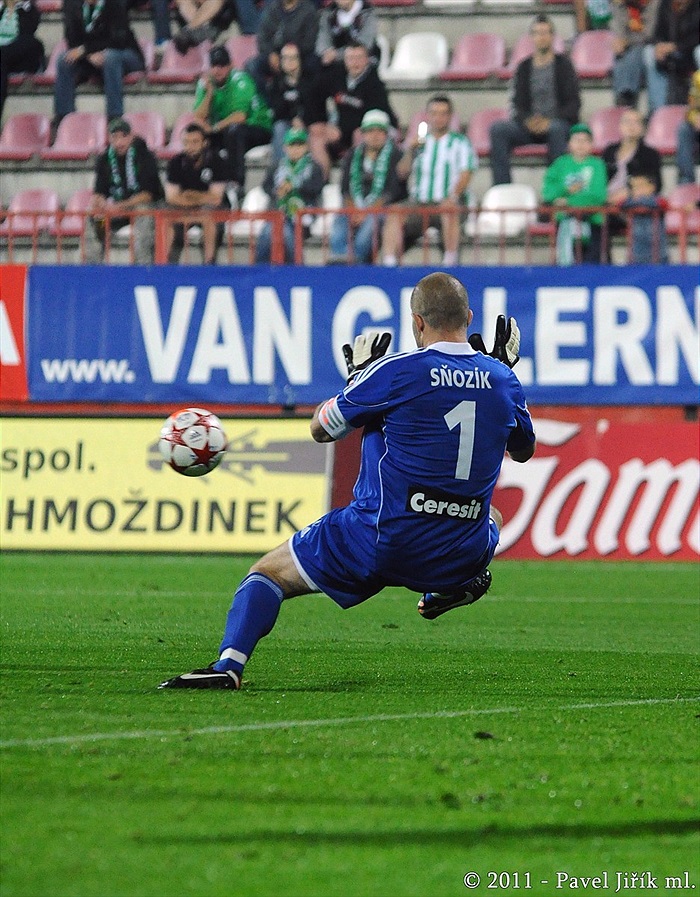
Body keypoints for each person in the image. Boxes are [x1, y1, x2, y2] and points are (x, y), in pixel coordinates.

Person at [158, 271, 536, 690]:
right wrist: (500, 371)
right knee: (494, 516)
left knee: (268, 574)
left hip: (379, 538)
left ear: (417, 322)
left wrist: (358, 376)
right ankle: (458, 584)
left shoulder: (397, 370)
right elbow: (521, 450)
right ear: (468, 316)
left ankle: (228, 665)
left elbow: (322, 429)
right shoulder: (504, 379)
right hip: (459, 549)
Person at [381, 94, 477, 268]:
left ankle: (450, 260)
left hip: (447, 201)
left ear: (450, 116)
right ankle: (389, 262)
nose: (438, 118)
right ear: (428, 116)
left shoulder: (460, 142)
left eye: (443, 113)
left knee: (449, 209)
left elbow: (466, 174)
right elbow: (402, 173)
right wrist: (410, 151)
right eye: (434, 113)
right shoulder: (419, 143)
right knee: (395, 211)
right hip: (421, 203)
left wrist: (453, 196)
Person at [489, 14, 580, 185]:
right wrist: (528, 121)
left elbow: (574, 104)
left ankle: (555, 190)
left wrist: (550, 120)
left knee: (557, 129)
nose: (542, 37)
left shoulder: (565, 66)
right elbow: (517, 104)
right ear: (532, 37)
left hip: (558, 124)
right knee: (498, 130)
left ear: (553, 36)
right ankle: (503, 188)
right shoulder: (523, 67)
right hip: (529, 127)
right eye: (537, 33)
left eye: (545, 33)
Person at [193, 44, 273, 208]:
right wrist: (209, 94)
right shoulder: (206, 83)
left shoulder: (240, 80)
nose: (218, 70)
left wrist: (214, 128)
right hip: (227, 129)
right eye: (214, 66)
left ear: (230, 65)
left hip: (258, 126)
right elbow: (198, 118)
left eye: (222, 65)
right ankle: (204, 180)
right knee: (199, 136)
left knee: (234, 131)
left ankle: (236, 183)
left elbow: (240, 116)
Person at [329, 108, 406, 264]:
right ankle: (338, 262)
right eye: (370, 131)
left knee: (369, 227)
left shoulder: (395, 155)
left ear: (386, 134)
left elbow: (393, 190)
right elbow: (345, 188)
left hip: (381, 208)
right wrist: (353, 209)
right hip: (355, 207)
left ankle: (356, 264)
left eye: (379, 131)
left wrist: (367, 211)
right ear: (363, 134)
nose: (375, 136)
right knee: (339, 224)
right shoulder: (352, 155)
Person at [310, 41, 398, 178]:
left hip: (376, 128)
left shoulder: (375, 84)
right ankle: (321, 183)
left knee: (361, 134)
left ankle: (359, 183)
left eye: (359, 58)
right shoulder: (337, 76)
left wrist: (339, 128)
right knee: (317, 136)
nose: (355, 63)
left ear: (367, 60)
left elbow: (374, 118)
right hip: (345, 130)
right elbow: (314, 96)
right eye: (351, 58)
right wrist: (324, 123)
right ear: (344, 60)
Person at [52, 0, 145, 129]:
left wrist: (85, 50)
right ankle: (64, 118)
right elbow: (71, 38)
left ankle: (114, 117)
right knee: (64, 60)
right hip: (91, 56)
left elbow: (118, 39)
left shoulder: (114, 4)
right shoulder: (73, 5)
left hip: (125, 54)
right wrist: (88, 54)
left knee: (110, 58)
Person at [86, 117, 164, 263]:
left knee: (143, 211)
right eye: (115, 138)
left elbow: (148, 195)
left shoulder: (145, 156)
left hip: (146, 208)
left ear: (131, 137)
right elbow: (100, 191)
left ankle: (143, 267)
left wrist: (120, 206)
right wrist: (100, 202)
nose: (119, 142)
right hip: (119, 210)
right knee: (95, 214)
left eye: (124, 137)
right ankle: (93, 266)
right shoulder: (104, 159)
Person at [541, 122, 608, 265]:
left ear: (591, 145)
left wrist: (567, 201)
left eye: (585, 141)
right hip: (564, 220)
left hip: (592, 221)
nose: (581, 144)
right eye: (577, 140)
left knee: (591, 266)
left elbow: (598, 196)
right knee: (565, 264)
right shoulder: (560, 164)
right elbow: (548, 193)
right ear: (569, 144)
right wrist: (567, 190)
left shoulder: (597, 165)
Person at [255, 126, 325, 263]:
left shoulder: (314, 167)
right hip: (278, 213)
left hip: (303, 216)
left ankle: (297, 269)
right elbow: (266, 186)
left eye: (300, 145)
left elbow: (316, 187)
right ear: (285, 148)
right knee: (266, 233)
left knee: (286, 233)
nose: (296, 149)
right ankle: (259, 270)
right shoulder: (277, 166)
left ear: (306, 147)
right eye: (292, 145)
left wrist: (295, 187)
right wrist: (278, 191)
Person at [164, 121, 228, 265]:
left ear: (205, 143)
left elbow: (216, 199)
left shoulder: (216, 161)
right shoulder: (175, 162)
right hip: (185, 208)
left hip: (211, 210)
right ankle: (163, 263)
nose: (190, 147)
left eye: (195, 142)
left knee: (208, 215)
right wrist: (200, 198)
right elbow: (171, 197)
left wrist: (189, 194)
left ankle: (209, 262)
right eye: (186, 142)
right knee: (166, 215)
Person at [602, 106, 661, 234]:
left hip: (631, 203)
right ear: (620, 126)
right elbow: (599, 179)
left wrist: (627, 193)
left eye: (636, 122)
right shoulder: (608, 151)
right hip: (606, 201)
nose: (631, 126)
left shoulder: (650, 154)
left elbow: (655, 184)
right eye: (627, 121)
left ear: (643, 128)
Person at [245, 0, 320, 99]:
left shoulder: (308, 10)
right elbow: (262, 38)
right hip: (275, 55)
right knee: (251, 66)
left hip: (300, 55)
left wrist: (289, 56)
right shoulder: (272, 8)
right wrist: (271, 53)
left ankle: (306, 101)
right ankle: (270, 100)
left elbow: (309, 42)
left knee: (314, 63)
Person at [267, 42, 322, 165]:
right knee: (279, 128)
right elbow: (276, 111)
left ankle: (312, 174)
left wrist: (302, 119)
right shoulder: (276, 83)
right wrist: (293, 118)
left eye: (293, 57)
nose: (289, 61)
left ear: (300, 59)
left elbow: (317, 108)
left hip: (309, 123)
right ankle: (281, 172)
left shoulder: (312, 80)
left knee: (315, 131)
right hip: (287, 125)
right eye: (286, 58)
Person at [643, 0, 700, 113]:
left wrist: (676, 46)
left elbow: (696, 37)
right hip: (671, 52)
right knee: (649, 52)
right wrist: (659, 45)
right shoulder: (665, 4)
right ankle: (659, 111)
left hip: (691, 51)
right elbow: (657, 32)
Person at [610, 0, 662, 108]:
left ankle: (626, 96)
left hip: (652, 46)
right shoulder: (620, 4)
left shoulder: (655, 3)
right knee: (620, 55)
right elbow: (618, 30)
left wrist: (627, 41)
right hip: (629, 47)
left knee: (636, 52)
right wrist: (620, 42)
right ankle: (623, 97)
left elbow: (650, 34)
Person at [0, 0, 45, 118]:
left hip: (20, 58)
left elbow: (28, 31)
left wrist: (17, 6)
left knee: (33, 43)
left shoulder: (29, 10)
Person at [316, 0, 379, 78]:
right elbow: (323, 37)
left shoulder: (368, 12)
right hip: (332, 63)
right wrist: (325, 52)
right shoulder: (328, 12)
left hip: (360, 62)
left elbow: (365, 43)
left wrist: (337, 55)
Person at [618, 167, 668, 263]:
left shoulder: (657, 201)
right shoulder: (629, 202)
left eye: (641, 186)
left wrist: (639, 200)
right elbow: (621, 204)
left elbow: (662, 203)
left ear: (652, 187)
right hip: (636, 252)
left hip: (658, 252)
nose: (637, 190)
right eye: (634, 187)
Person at [677, 70, 700, 184]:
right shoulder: (698, 77)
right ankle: (687, 179)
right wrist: (695, 116)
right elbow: (691, 108)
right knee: (684, 129)